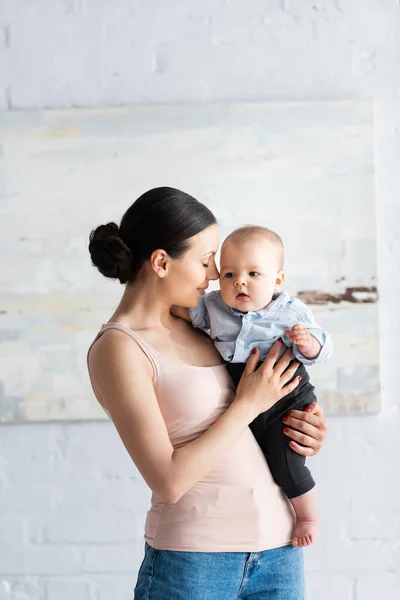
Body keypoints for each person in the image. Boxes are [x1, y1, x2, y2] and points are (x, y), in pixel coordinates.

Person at [86, 187, 328, 600]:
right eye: (204, 261)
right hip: (195, 562)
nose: (216, 274)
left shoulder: (205, 328)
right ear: (161, 262)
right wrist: (248, 403)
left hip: (279, 548)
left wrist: (303, 427)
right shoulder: (119, 348)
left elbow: (250, 423)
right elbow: (168, 481)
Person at [173, 225, 333, 548]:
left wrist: (308, 343)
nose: (239, 281)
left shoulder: (291, 312)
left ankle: (308, 515)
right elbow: (184, 310)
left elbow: (322, 348)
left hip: (288, 395)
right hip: (244, 391)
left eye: (253, 274)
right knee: (258, 457)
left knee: (286, 461)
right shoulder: (214, 305)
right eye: (229, 273)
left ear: (277, 280)